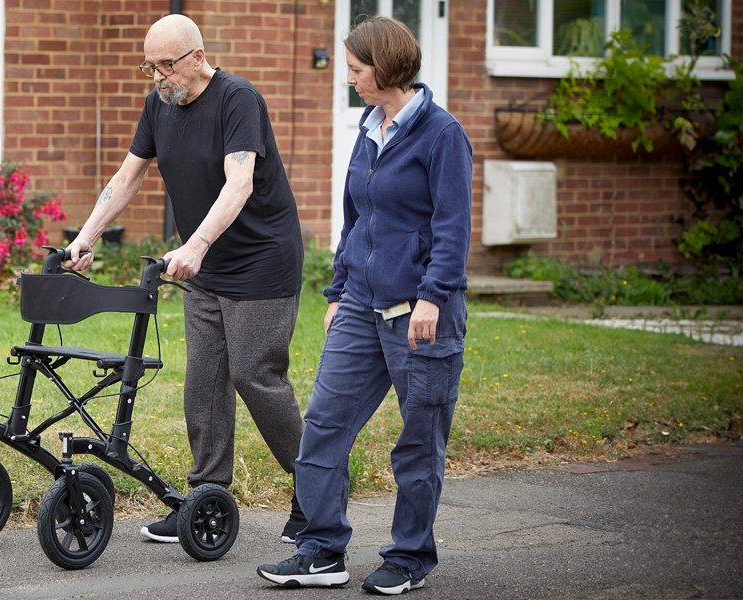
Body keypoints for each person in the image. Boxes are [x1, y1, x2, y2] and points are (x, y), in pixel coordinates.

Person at [63, 14, 307, 546]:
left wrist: (195, 244)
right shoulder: (160, 104)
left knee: (255, 376)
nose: (157, 77)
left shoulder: (238, 100)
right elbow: (128, 175)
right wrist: (86, 236)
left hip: (261, 263)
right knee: (204, 384)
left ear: (197, 57)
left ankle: (317, 493)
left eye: (166, 66)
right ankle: (205, 501)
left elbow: (239, 184)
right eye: (149, 67)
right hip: (205, 268)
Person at [255, 16, 472, 596]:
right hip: (360, 306)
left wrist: (432, 296)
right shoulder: (369, 127)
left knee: (418, 442)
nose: (349, 78)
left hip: (421, 313)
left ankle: (409, 557)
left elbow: (453, 228)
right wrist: (339, 292)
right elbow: (355, 221)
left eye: (356, 69)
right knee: (323, 428)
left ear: (387, 67)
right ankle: (321, 550)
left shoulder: (442, 134)